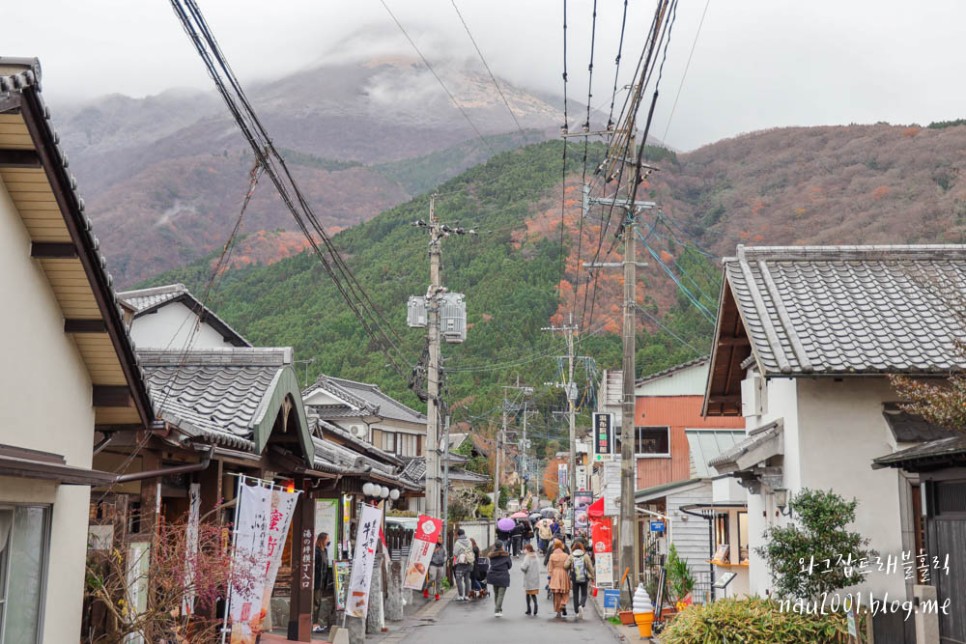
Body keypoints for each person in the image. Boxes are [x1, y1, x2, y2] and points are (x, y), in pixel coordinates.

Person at [564, 539, 595, 619]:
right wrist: (592, 576)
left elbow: (565, 566)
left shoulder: (571, 555)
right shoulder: (585, 555)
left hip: (574, 577)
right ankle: (581, 604)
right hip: (584, 577)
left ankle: (576, 611)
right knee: (584, 593)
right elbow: (590, 567)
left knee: (575, 594)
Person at [486, 540, 512, 617]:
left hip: (493, 576)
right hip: (503, 576)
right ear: (501, 546)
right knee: (501, 594)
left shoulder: (492, 556)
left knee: (496, 593)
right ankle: (497, 610)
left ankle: (499, 609)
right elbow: (509, 566)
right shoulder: (506, 555)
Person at [547, 539, 571, 619]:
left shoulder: (552, 556)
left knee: (556, 594)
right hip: (564, 573)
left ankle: (558, 611)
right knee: (565, 591)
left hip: (555, 574)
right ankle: (563, 603)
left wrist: (549, 578)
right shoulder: (566, 555)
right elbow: (569, 566)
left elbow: (550, 568)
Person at [312, 532, 330, 633]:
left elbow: (325, 567)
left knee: (318, 603)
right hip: (316, 581)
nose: (328, 541)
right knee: (316, 603)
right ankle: (313, 624)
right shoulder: (316, 551)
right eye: (327, 539)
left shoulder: (325, 551)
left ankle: (315, 623)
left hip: (322, 581)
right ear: (322, 540)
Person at [452, 528, 475, 601]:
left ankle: (461, 595)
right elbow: (471, 550)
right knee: (467, 579)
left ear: (458, 534)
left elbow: (455, 553)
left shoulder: (457, 542)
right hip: (468, 562)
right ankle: (467, 596)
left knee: (458, 579)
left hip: (461, 563)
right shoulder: (469, 541)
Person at [519, 543, 540, 616]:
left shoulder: (527, 557)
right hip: (535, 577)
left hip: (529, 577)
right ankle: (536, 606)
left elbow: (524, 567)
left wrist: (521, 566)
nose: (524, 551)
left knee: (528, 593)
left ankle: (529, 609)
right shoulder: (536, 556)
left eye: (524, 549)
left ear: (528, 549)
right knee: (533, 593)